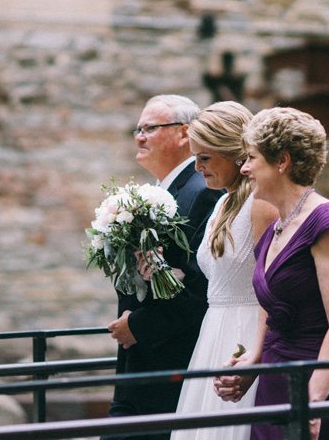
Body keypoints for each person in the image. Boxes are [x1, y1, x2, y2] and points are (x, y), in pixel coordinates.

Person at [214, 107, 329, 440]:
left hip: (318, 383)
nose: (244, 168)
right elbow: (270, 303)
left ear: (282, 161)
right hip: (274, 378)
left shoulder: (327, 223)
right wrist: (254, 359)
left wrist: (312, 402)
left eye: (252, 158)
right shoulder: (274, 229)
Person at [104, 95, 224, 440]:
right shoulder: (162, 191)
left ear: (184, 133)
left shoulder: (202, 192)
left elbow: (201, 288)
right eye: (138, 129)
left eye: (150, 128)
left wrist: (139, 326)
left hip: (168, 362)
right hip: (138, 362)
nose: (140, 137)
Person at [171, 102, 278, 440]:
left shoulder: (260, 205)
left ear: (234, 154)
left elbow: (269, 286)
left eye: (205, 158)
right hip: (212, 332)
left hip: (245, 332)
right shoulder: (221, 202)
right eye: (194, 158)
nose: (198, 168)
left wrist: (256, 355)